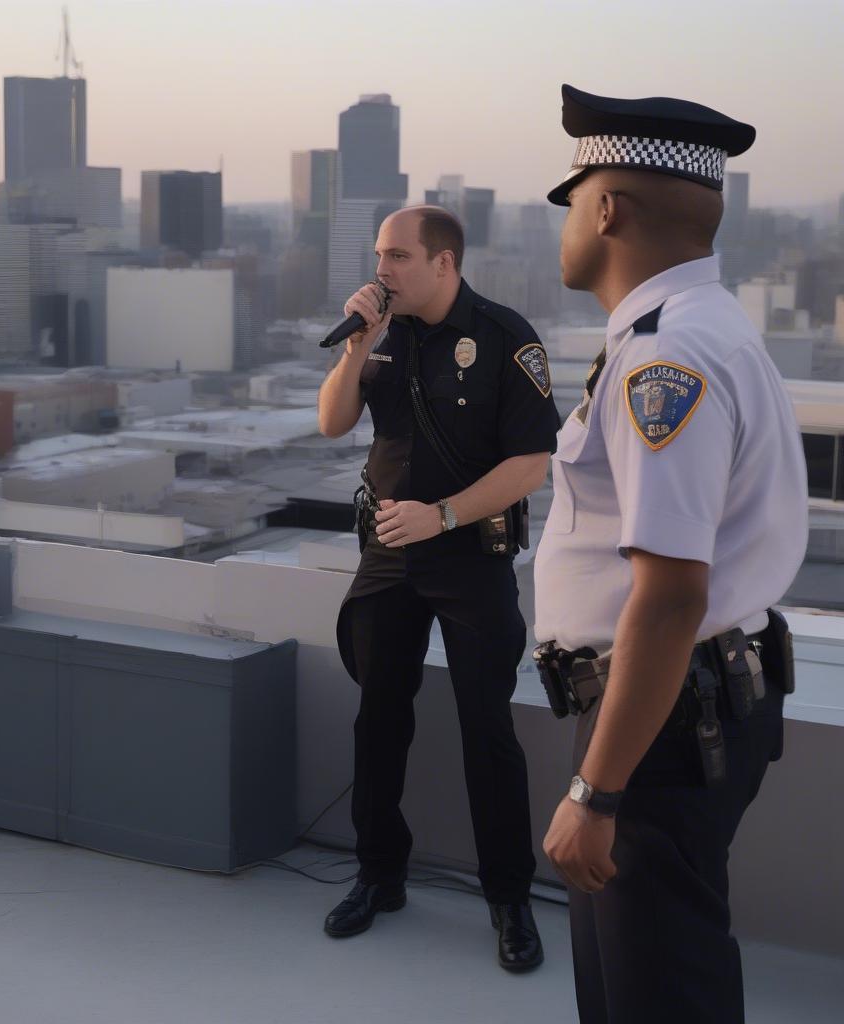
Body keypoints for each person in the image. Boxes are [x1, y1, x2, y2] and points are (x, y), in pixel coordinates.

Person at [534, 85, 808, 1022]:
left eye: (570, 199)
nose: (565, 222)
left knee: (658, 997)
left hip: (657, 728)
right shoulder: (702, 329)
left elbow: (669, 597)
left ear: (607, 207)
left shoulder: (667, 360)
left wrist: (596, 788)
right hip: (677, 708)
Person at [317, 205, 561, 971]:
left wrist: (445, 515)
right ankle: (378, 875)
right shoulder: (382, 337)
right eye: (379, 256)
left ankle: (509, 900)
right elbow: (332, 422)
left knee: (486, 733)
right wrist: (358, 343)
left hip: (470, 560)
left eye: (397, 256)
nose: (381, 269)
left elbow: (531, 466)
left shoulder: (504, 335)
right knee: (378, 722)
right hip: (389, 554)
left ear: (443, 263)